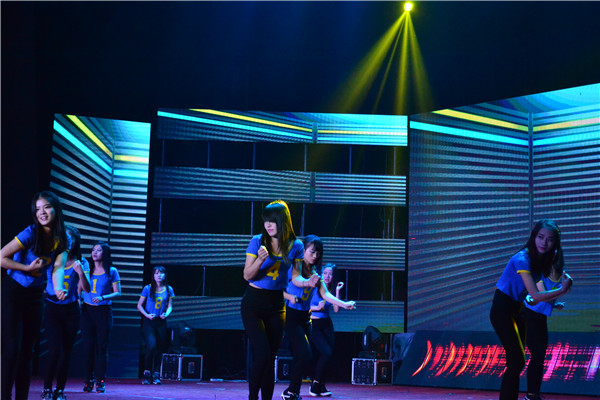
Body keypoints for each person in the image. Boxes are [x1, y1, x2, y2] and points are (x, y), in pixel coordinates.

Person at [489, 220, 572, 400]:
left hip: (518, 309)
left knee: (516, 361)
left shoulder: (539, 261)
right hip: (502, 310)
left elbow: (535, 296)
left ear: (555, 243)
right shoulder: (522, 259)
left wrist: (552, 302)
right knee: (517, 360)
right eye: (540, 237)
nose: (544, 242)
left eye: (549, 239)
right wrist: (562, 290)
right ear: (534, 237)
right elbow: (535, 295)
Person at [241, 200, 315, 400]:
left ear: (283, 221)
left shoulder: (296, 245)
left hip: (276, 305)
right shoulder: (257, 241)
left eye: (272, 221)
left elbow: (295, 278)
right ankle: (252, 397)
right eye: (266, 221)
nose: (268, 225)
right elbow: (247, 275)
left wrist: (308, 282)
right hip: (254, 303)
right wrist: (260, 259)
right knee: (262, 354)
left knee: (271, 357)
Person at [1, 190, 69, 400]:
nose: (42, 212)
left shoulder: (63, 238)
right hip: (13, 291)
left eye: (46, 207)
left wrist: (58, 287)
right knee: (11, 350)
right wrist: (26, 268)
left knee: (27, 352)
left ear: (56, 210)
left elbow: (58, 268)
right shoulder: (30, 233)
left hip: (35, 296)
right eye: (38, 209)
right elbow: (2, 257)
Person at [282, 235, 356, 400]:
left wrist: (344, 304)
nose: (315, 256)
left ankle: (294, 390)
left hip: (305, 318)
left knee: (306, 355)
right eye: (312, 252)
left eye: (318, 253)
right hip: (291, 316)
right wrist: (294, 293)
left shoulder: (315, 273)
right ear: (303, 251)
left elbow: (326, 294)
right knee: (303, 354)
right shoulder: (294, 267)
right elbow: (293, 282)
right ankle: (291, 391)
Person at [42, 225, 91, 400]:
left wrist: (80, 273)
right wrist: (53, 291)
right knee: (54, 350)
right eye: (65, 238)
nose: (68, 242)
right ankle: (47, 389)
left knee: (66, 352)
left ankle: (60, 390)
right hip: (52, 308)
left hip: (71, 310)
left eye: (71, 239)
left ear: (76, 242)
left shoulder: (82, 262)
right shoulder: (52, 258)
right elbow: (45, 284)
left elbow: (87, 289)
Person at [523, 261, 570, 400]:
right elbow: (542, 295)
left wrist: (555, 305)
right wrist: (563, 290)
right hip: (528, 317)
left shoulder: (558, 283)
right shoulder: (540, 277)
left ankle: (535, 394)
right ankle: (531, 395)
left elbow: (548, 298)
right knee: (537, 355)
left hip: (540, 318)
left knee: (540, 356)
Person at [80, 241, 121, 393]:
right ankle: (88, 379)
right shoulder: (87, 269)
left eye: (98, 250)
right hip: (87, 312)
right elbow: (80, 287)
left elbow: (118, 292)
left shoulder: (112, 271)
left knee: (101, 348)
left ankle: (100, 380)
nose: (95, 253)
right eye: (93, 250)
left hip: (103, 312)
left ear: (105, 253)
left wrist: (103, 297)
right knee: (88, 347)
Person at [308, 263, 346, 397]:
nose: (327, 276)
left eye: (330, 274)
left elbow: (336, 309)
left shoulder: (331, 290)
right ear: (321, 274)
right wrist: (317, 308)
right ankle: (315, 384)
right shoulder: (315, 287)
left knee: (328, 355)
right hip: (314, 324)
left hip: (327, 324)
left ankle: (320, 385)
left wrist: (337, 291)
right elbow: (305, 305)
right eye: (325, 273)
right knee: (325, 353)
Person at [137, 265, 175, 385]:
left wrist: (166, 314)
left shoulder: (169, 289)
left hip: (161, 321)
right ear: (153, 275)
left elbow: (170, 306)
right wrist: (147, 315)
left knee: (160, 347)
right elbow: (139, 305)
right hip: (149, 321)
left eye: (161, 273)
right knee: (151, 346)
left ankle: (156, 373)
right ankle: (147, 372)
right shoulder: (147, 288)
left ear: (165, 275)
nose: (159, 275)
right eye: (156, 273)